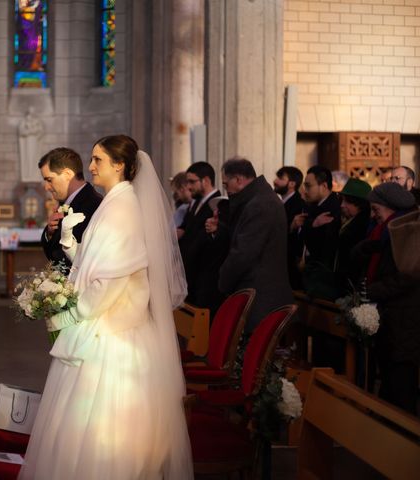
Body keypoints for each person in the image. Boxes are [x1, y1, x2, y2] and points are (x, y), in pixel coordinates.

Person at [19, 135, 193, 479]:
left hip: (113, 337)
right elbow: (94, 266)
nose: (92, 166)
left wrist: (67, 315)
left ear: (120, 166)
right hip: (104, 325)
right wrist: (69, 242)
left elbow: (109, 284)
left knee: (103, 436)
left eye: (98, 159)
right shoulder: (113, 202)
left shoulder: (124, 208)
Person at [354, 183, 419, 414]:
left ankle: (403, 444)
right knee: (390, 389)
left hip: (405, 322)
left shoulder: (409, 232)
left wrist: (370, 291)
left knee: (401, 390)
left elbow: (407, 277)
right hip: (393, 320)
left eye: (375, 209)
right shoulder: (388, 231)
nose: (373, 215)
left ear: (391, 207)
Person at [217, 157, 293, 332]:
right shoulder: (258, 199)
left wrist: (223, 282)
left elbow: (243, 254)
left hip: (261, 299)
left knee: (254, 357)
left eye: (226, 184)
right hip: (257, 295)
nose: (226, 190)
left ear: (238, 180)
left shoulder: (260, 204)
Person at [39, 147, 102, 269]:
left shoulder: (93, 204)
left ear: (67, 174)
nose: (46, 187)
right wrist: (50, 233)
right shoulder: (66, 202)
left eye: (49, 180)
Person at [292, 165, 342, 300]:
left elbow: (324, 246)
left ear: (324, 186)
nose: (305, 191)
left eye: (308, 186)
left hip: (322, 279)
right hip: (305, 274)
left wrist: (311, 225)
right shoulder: (311, 205)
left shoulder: (333, 207)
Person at [177, 162, 221, 309]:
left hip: (205, 277)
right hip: (190, 274)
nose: (188, 186)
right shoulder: (196, 203)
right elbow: (185, 227)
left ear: (206, 181)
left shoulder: (218, 204)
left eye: (192, 181)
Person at [335, 178, 372, 295]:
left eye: (347, 202)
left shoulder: (361, 225)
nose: (342, 205)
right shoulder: (351, 220)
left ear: (359, 204)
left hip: (351, 285)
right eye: (342, 201)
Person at [274, 166, 305, 290]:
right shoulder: (280, 203)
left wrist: (290, 227)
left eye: (280, 178)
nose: (275, 181)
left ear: (292, 183)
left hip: (289, 264)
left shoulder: (298, 204)